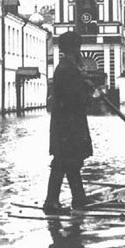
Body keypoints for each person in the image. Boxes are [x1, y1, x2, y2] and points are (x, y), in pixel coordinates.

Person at [43, 31, 94, 213]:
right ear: (75, 49)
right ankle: (51, 202)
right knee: (62, 162)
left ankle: (78, 198)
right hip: (68, 124)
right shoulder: (67, 69)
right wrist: (88, 93)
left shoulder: (68, 67)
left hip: (67, 123)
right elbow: (74, 99)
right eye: (78, 47)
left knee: (71, 162)